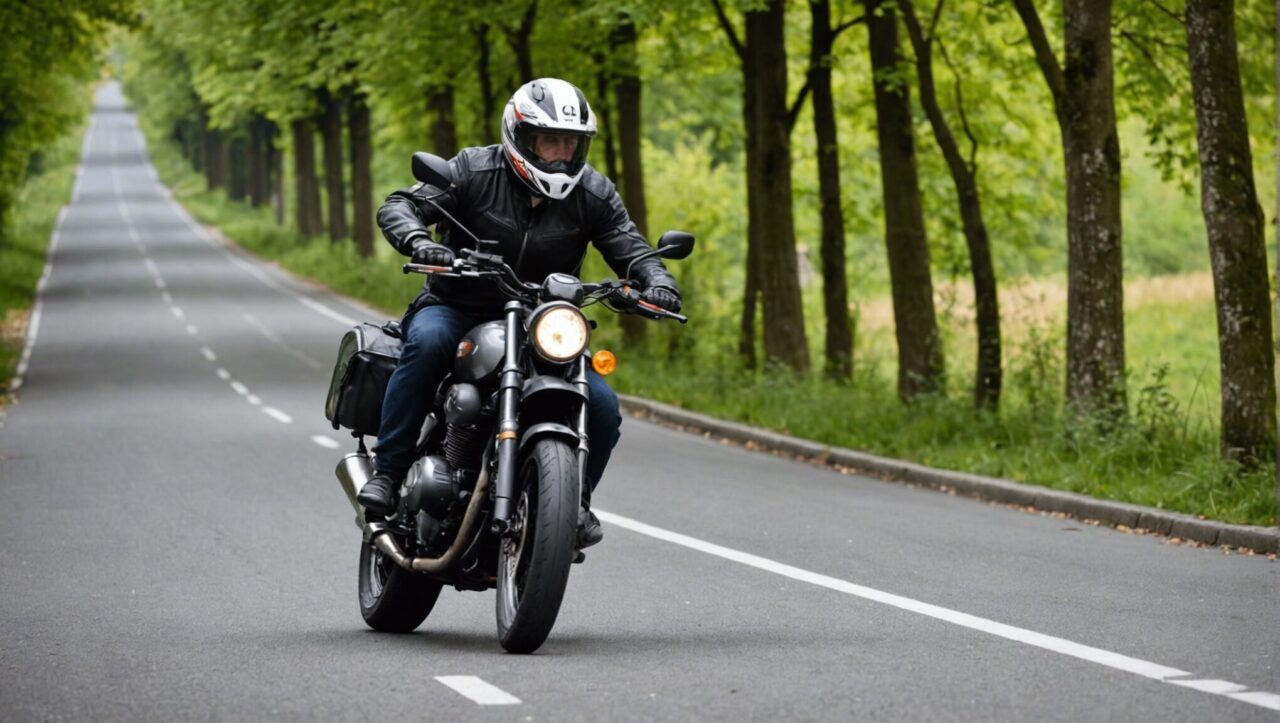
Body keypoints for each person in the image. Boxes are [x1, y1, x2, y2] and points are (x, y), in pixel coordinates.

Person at [357, 78, 682, 549]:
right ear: (521, 136)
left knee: (604, 408)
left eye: (570, 143)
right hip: (458, 306)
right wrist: (422, 242)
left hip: (543, 322)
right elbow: (402, 204)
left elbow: (631, 249)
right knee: (426, 343)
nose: (560, 153)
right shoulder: (473, 169)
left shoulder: (593, 192)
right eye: (549, 140)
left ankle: (574, 503)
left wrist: (659, 284)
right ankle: (388, 472)